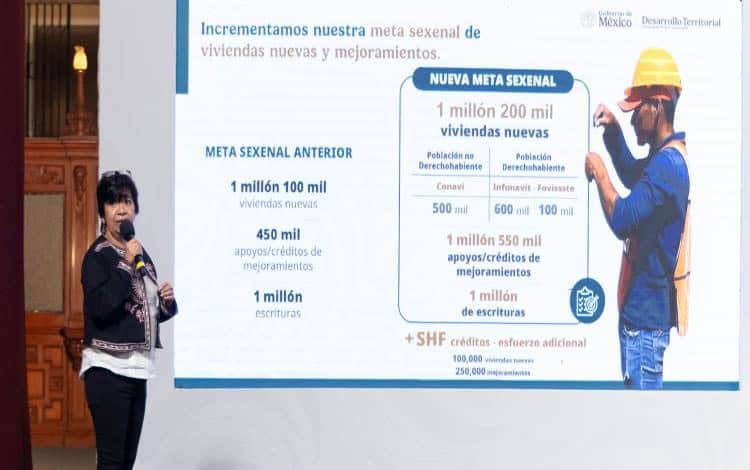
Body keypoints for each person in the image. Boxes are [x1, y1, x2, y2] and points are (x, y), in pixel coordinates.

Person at [584, 48, 689, 389]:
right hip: (640, 325)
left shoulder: (667, 166)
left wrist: (599, 172)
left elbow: (623, 220)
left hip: (644, 330)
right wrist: (613, 132)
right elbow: (633, 175)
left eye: (635, 111)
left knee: (644, 420)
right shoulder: (664, 159)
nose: (631, 121)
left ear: (656, 106)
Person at [79, 170, 177, 469]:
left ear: (135, 208)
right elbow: (101, 307)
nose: (121, 209)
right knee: (111, 462)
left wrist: (166, 304)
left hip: (137, 370)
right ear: (103, 211)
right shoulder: (97, 256)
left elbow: (140, 309)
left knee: (126, 463)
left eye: (127, 201)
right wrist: (125, 263)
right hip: (108, 369)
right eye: (113, 202)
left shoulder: (139, 252)